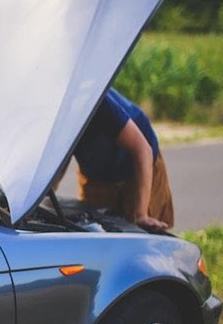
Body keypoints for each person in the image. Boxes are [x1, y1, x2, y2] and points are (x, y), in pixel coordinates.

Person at [72, 88, 174, 231]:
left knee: (142, 231)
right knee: (94, 229)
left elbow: (143, 151)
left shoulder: (96, 101)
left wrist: (141, 214)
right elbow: (57, 161)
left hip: (139, 164)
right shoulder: (48, 114)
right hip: (97, 174)